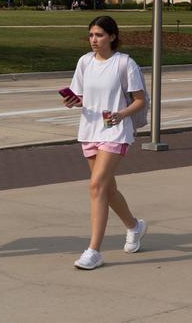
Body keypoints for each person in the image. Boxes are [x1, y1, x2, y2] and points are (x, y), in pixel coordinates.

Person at [62, 15, 147, 270]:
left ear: (112, 36)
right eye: (91, 35)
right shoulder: (84, 62)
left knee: (96, 185)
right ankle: (135, 225)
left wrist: (121, 114)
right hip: (89, 130)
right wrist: (71, 101)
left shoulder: (124, 64)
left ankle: (94, 251)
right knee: (107, 190)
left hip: (115, 131)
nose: (94, 40)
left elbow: (139, 100)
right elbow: (79, 94)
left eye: (99, 35)